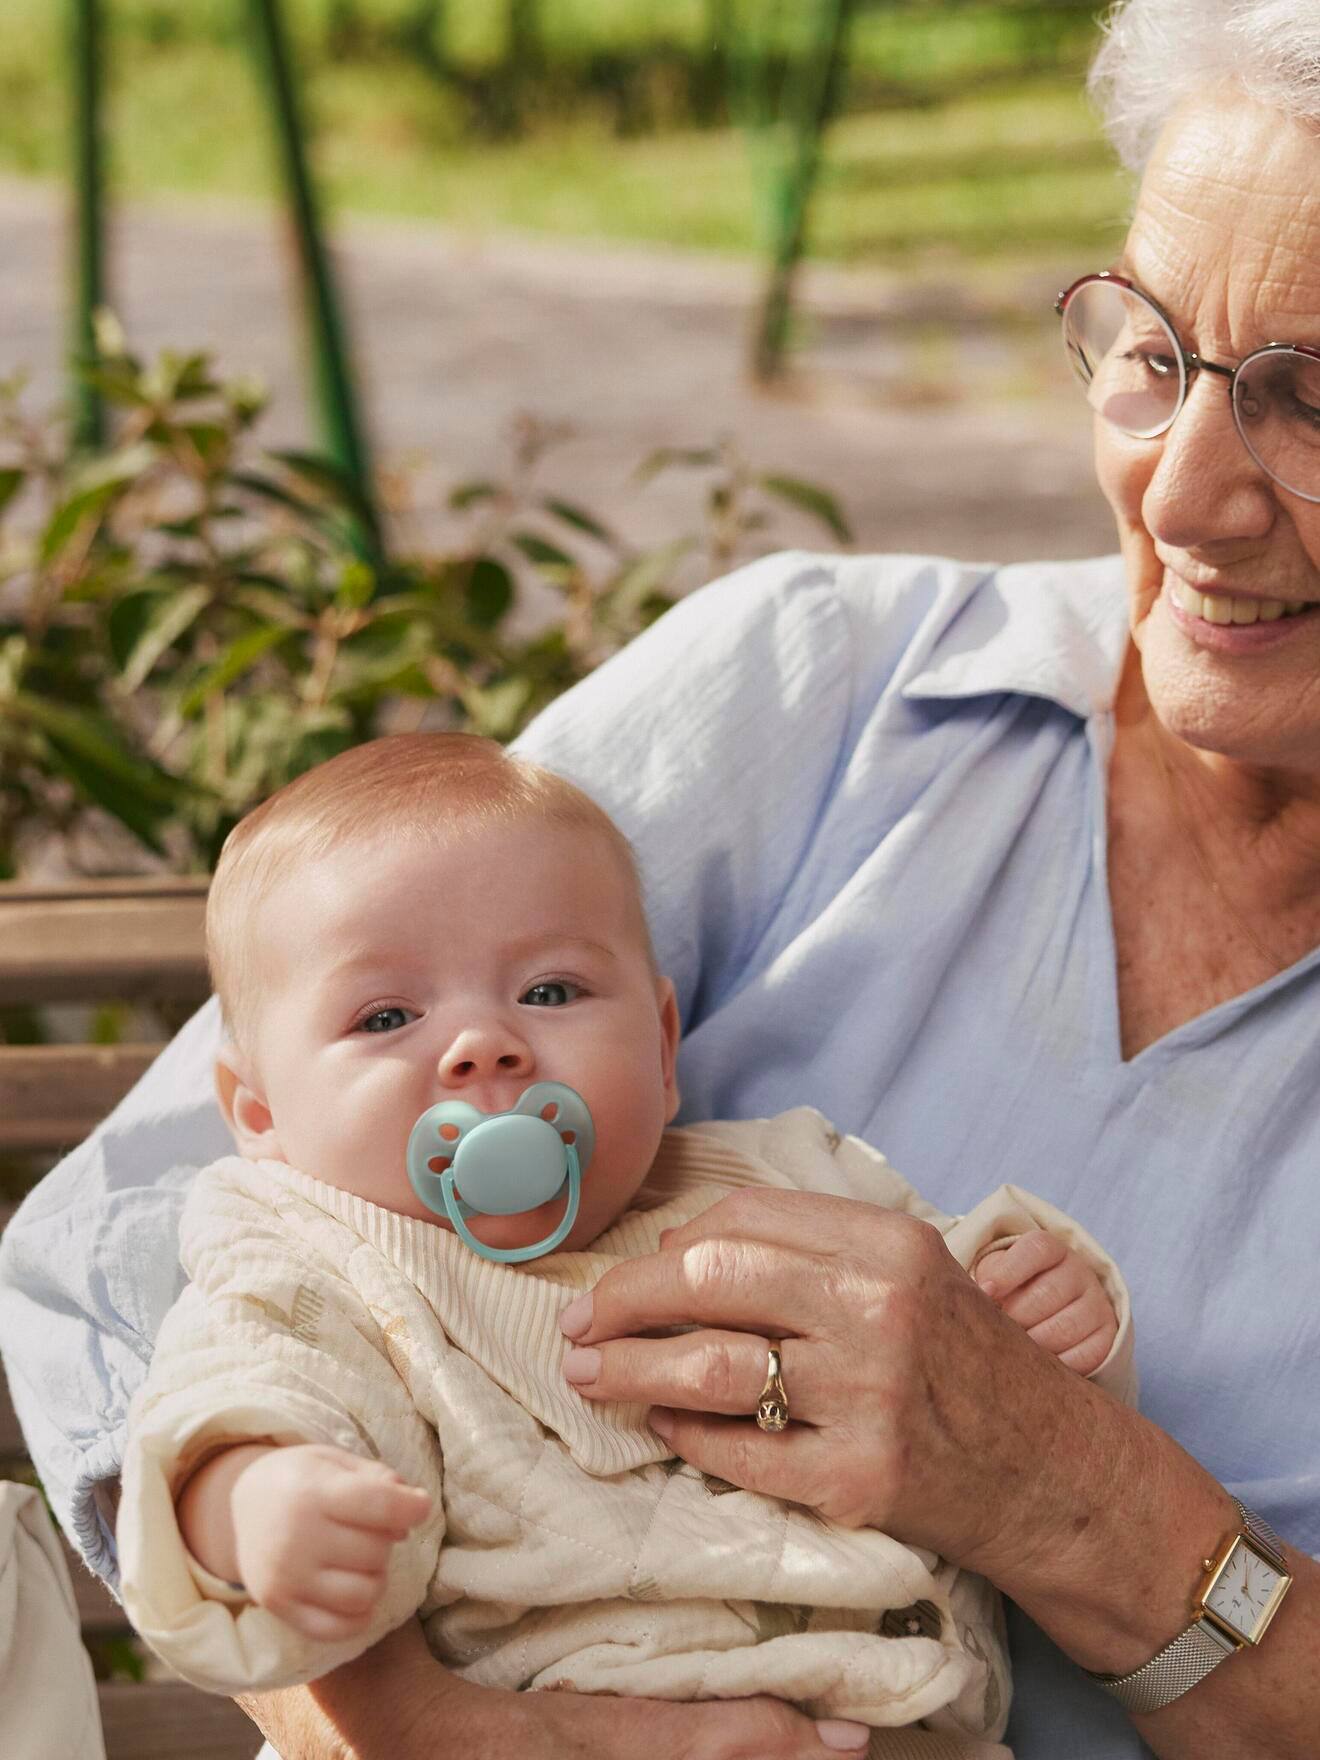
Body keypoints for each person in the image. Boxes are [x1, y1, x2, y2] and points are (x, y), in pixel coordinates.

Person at [2, 0, 1320, 1754]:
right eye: (1150, 351)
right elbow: (118, 1242)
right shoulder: (829, 693)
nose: (1187, 494)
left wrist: (1082, 1498)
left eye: (1314, 396)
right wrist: (428, 1720)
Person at [116, 733, 1130, 1760]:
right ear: (260, 1111)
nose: (484, 1043)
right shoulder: (311, 1253)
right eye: (387, 1014)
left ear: (658, 1042)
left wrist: (1049, 1304)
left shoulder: (788, 1173)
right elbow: (239, 1392)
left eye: (549, 991)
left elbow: (967, 1360)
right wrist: (254, 1503)